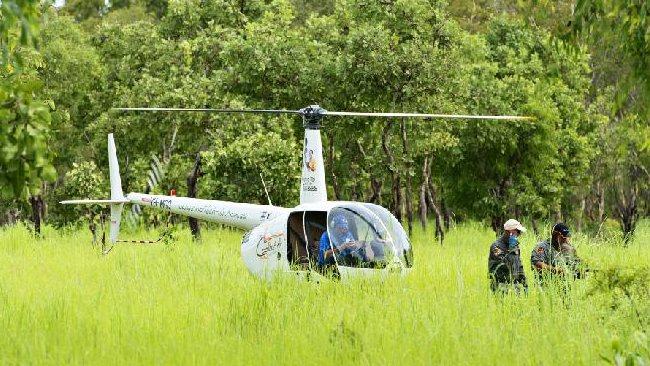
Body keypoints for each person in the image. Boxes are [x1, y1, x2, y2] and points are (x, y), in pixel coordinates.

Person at [488, 219, 528, 293]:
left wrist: (524, 280)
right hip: (500, 284)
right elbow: (504, 263)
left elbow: (518, 264)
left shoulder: (515, 246)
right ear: (509, 232)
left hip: (515, 284)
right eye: (518, 231)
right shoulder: (496, 247)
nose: (519, 234)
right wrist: (511, 249)